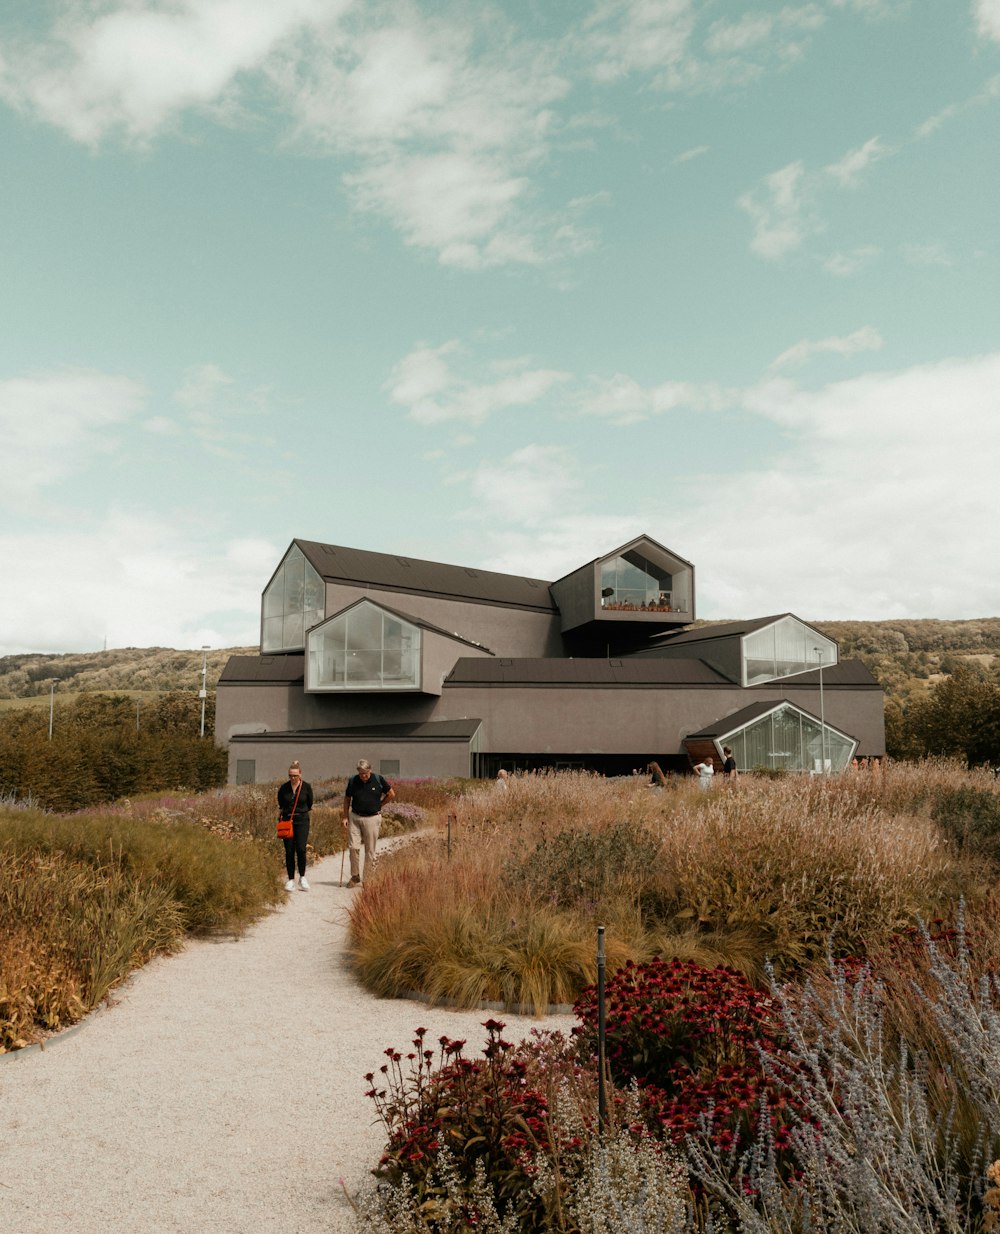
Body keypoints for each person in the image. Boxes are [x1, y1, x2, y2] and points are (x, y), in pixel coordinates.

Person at [342, 759, 395, 887]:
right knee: (353, 847)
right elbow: (347, 798)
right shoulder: (353, 781)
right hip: (355, 817)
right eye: (361, 774)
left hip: (372, 818)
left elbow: (391, 794)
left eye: (365, 773)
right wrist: (345, 816)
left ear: (369, 770)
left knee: (370, 850)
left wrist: (380, 804)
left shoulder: (378, 779)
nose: (363, 776)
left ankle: (368, 879)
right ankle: (355, 876)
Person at [277, 760, 313, 892]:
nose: (293, 778)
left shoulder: (306, 787)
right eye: (290, 776)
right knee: (289, 850)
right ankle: (290, 879)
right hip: (287, 821)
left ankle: (302, 877)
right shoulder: (284, 788)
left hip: (302, 820)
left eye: (295, 776)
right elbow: (281, 803)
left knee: (301, 849)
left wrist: (299, 811)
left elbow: (310, 803)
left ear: (300, 774)